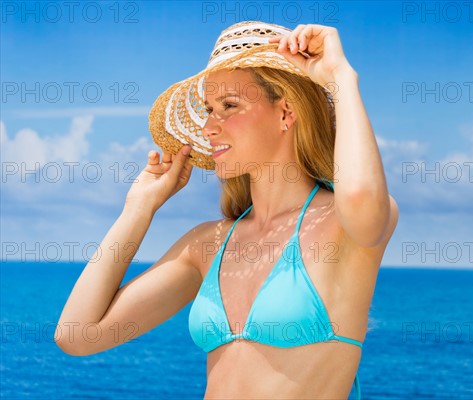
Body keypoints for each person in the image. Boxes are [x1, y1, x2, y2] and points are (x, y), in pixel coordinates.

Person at [55, 21, 399, 399]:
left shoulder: (342, 226)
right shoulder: (209, 244)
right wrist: (138, 209)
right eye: (208, 109)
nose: (208, 126)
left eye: (228, 106)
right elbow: (77, 335)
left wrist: (340, 77)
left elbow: (361, 194)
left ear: (286, 111)